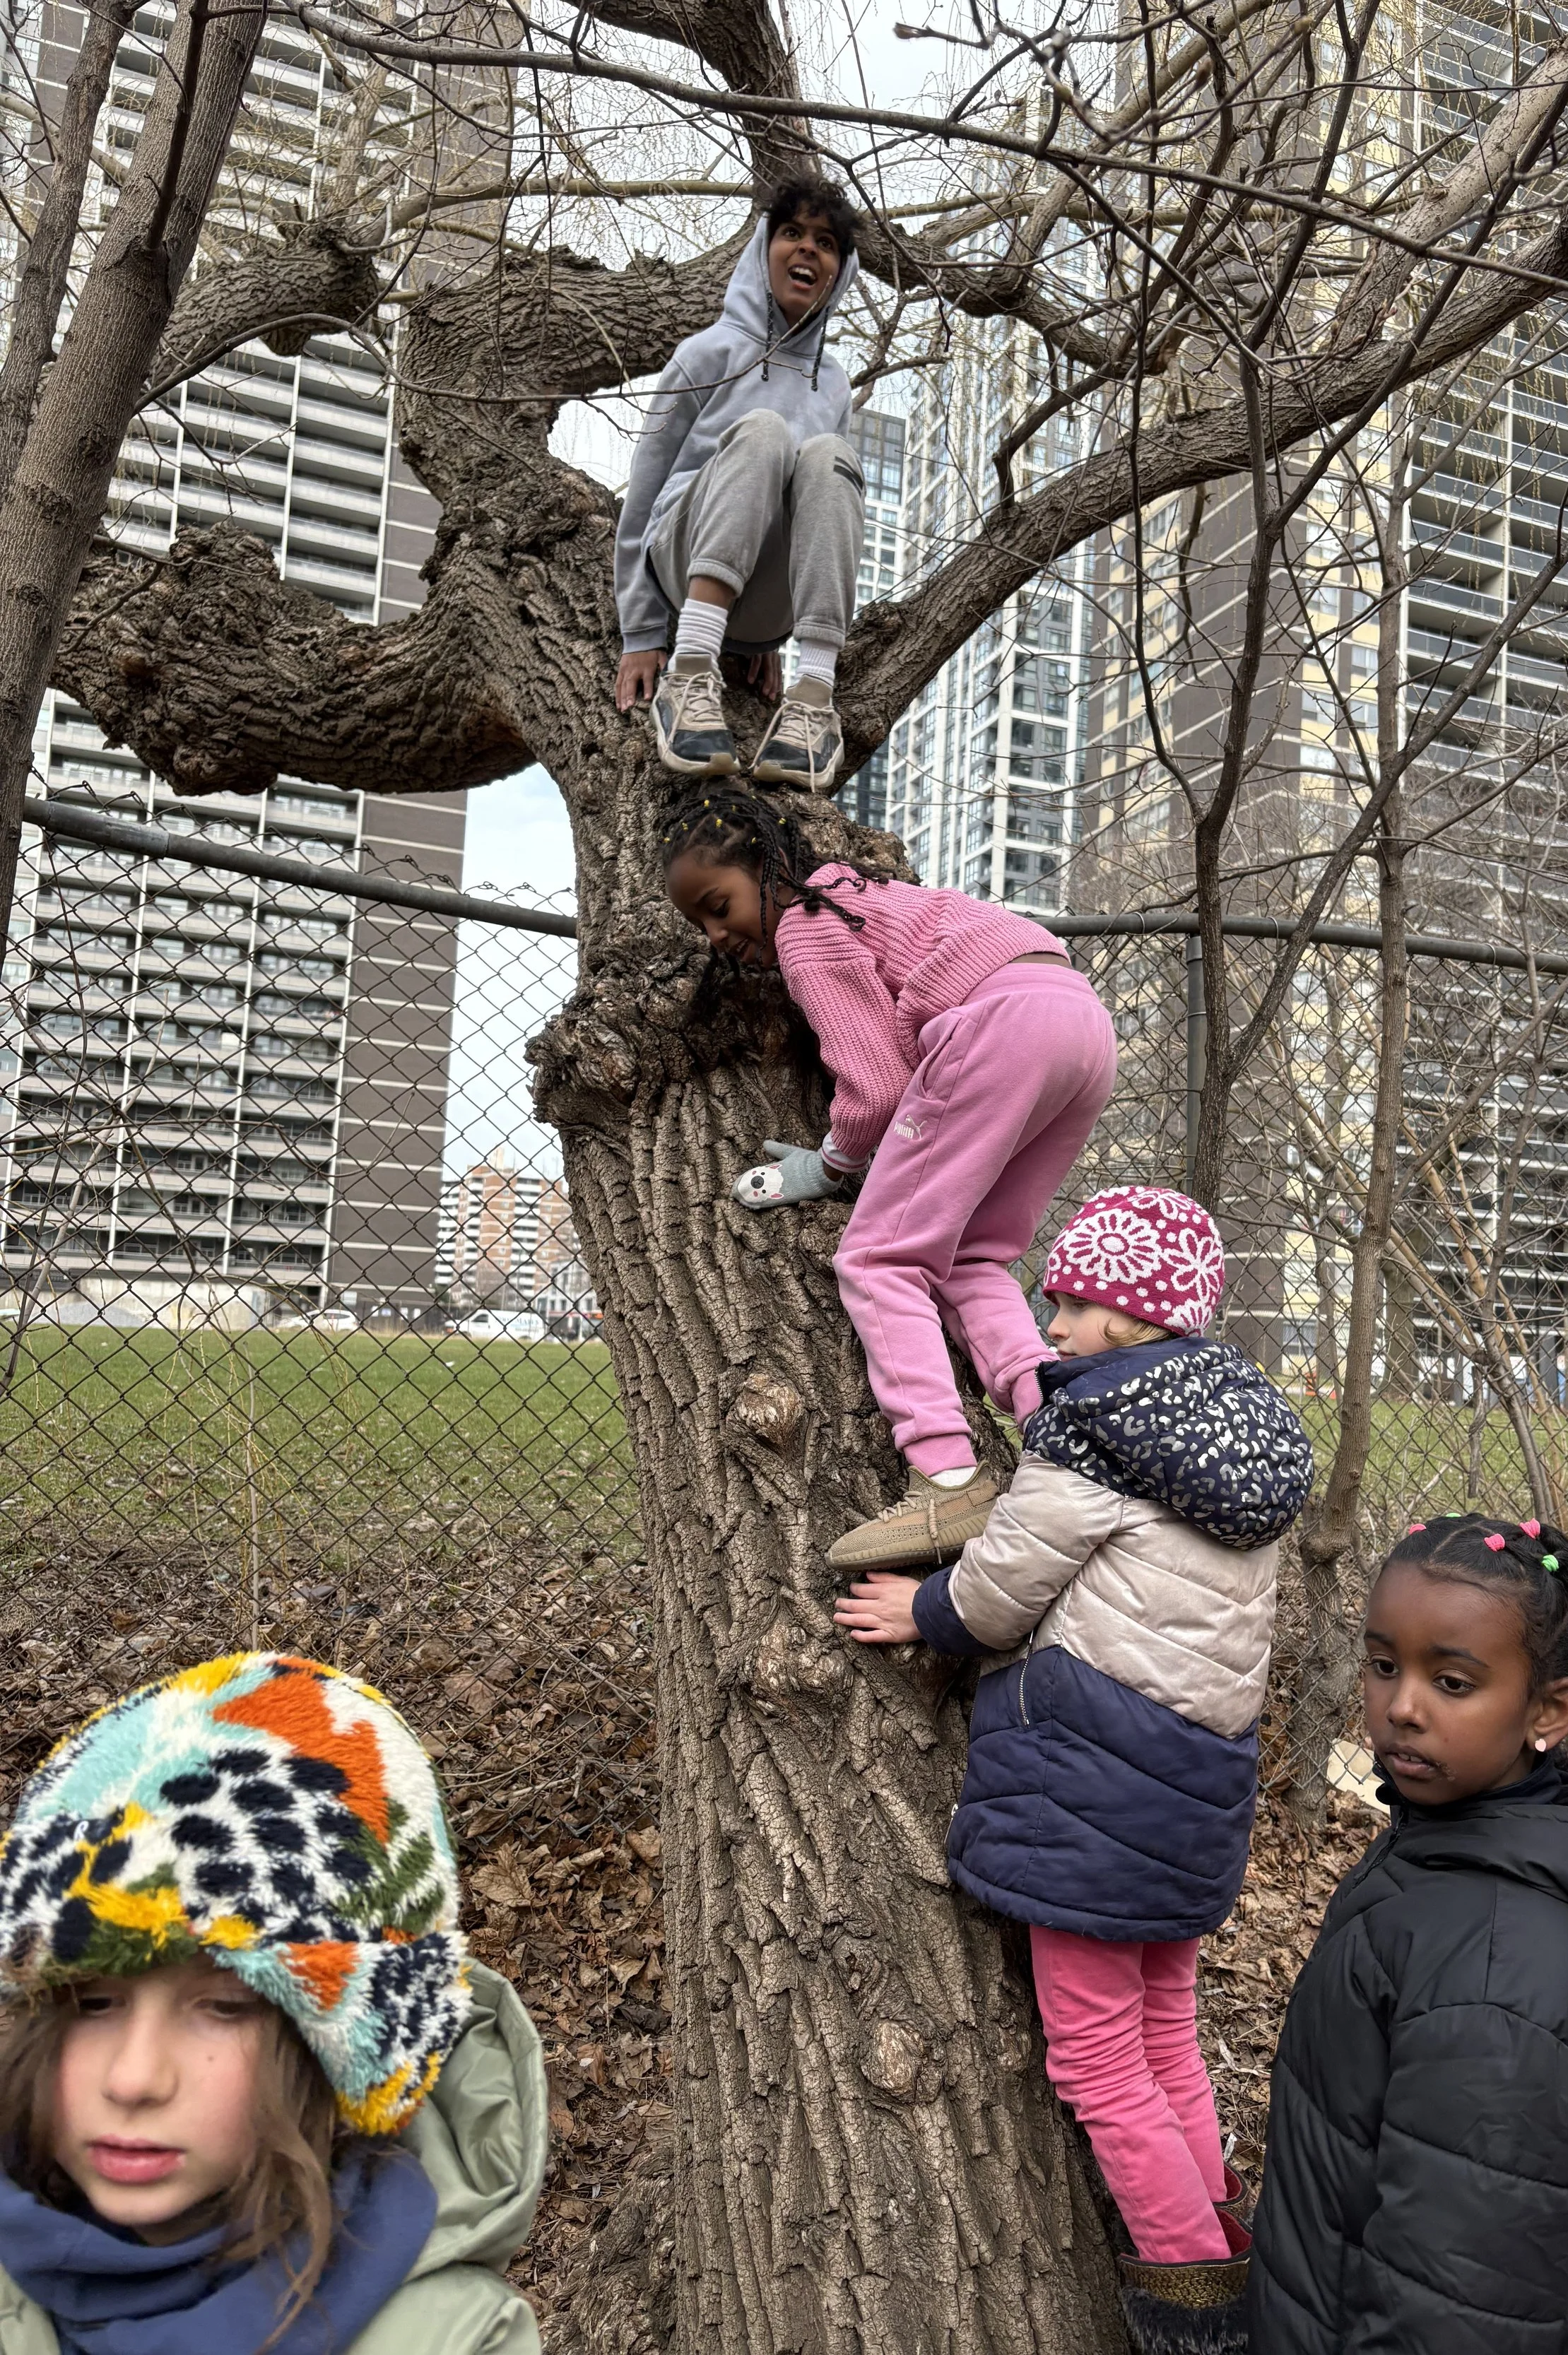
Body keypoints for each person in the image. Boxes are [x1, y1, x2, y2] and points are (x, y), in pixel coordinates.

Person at [835, 1189, 1314, 2355]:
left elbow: (1005, 1583)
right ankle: (1228, 2238)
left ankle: (1197, 2308)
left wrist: (926, 1605)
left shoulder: (1093, 1427)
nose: (1054, 1313)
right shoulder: (1227, 1430)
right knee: (1163, 2028)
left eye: (1078, 1296)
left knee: (1098, 2056)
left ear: (1140, 1318)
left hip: (1095, 1784)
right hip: (1198, 1779)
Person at [1250, 1513, 1568, 2355]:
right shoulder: (1458, 1841)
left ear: (1551, 1710)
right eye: (1383, 1666)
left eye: (1451, 1682)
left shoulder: (1500, 1973)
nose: (1401, 1707)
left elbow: (1454, 2311)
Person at [0, 1653, 547, 2353]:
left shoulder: (452, 2338)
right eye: (96, 2003)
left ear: (341, 2050)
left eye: (226, 2008)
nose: (133, 2080)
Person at [662, 784, 1119, 1567]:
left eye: (719, 905)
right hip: (1078, 1023)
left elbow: (873, 1087)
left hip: (997, 1027)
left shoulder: (808, 926)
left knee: (879, 1257)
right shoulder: (864, 896)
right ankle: (1066, 1436)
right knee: (973, 1257)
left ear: (769, 869)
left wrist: (830, 1163)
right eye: (698, 924)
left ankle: (947, 1479)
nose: (714, 935)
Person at [613, 176, 865, 795]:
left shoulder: (833, 386)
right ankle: (692, 670)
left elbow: (818, 517)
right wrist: (641, 632)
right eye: (792, 234)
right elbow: (645, 490)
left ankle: (813, 698)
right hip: (683, 562)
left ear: (841, 270)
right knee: (764, 433)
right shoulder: (706, 353)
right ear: (764, 248)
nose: (808, 250)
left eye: (826, 242)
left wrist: (765, 632)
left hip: (762, 599)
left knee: (831, 457)